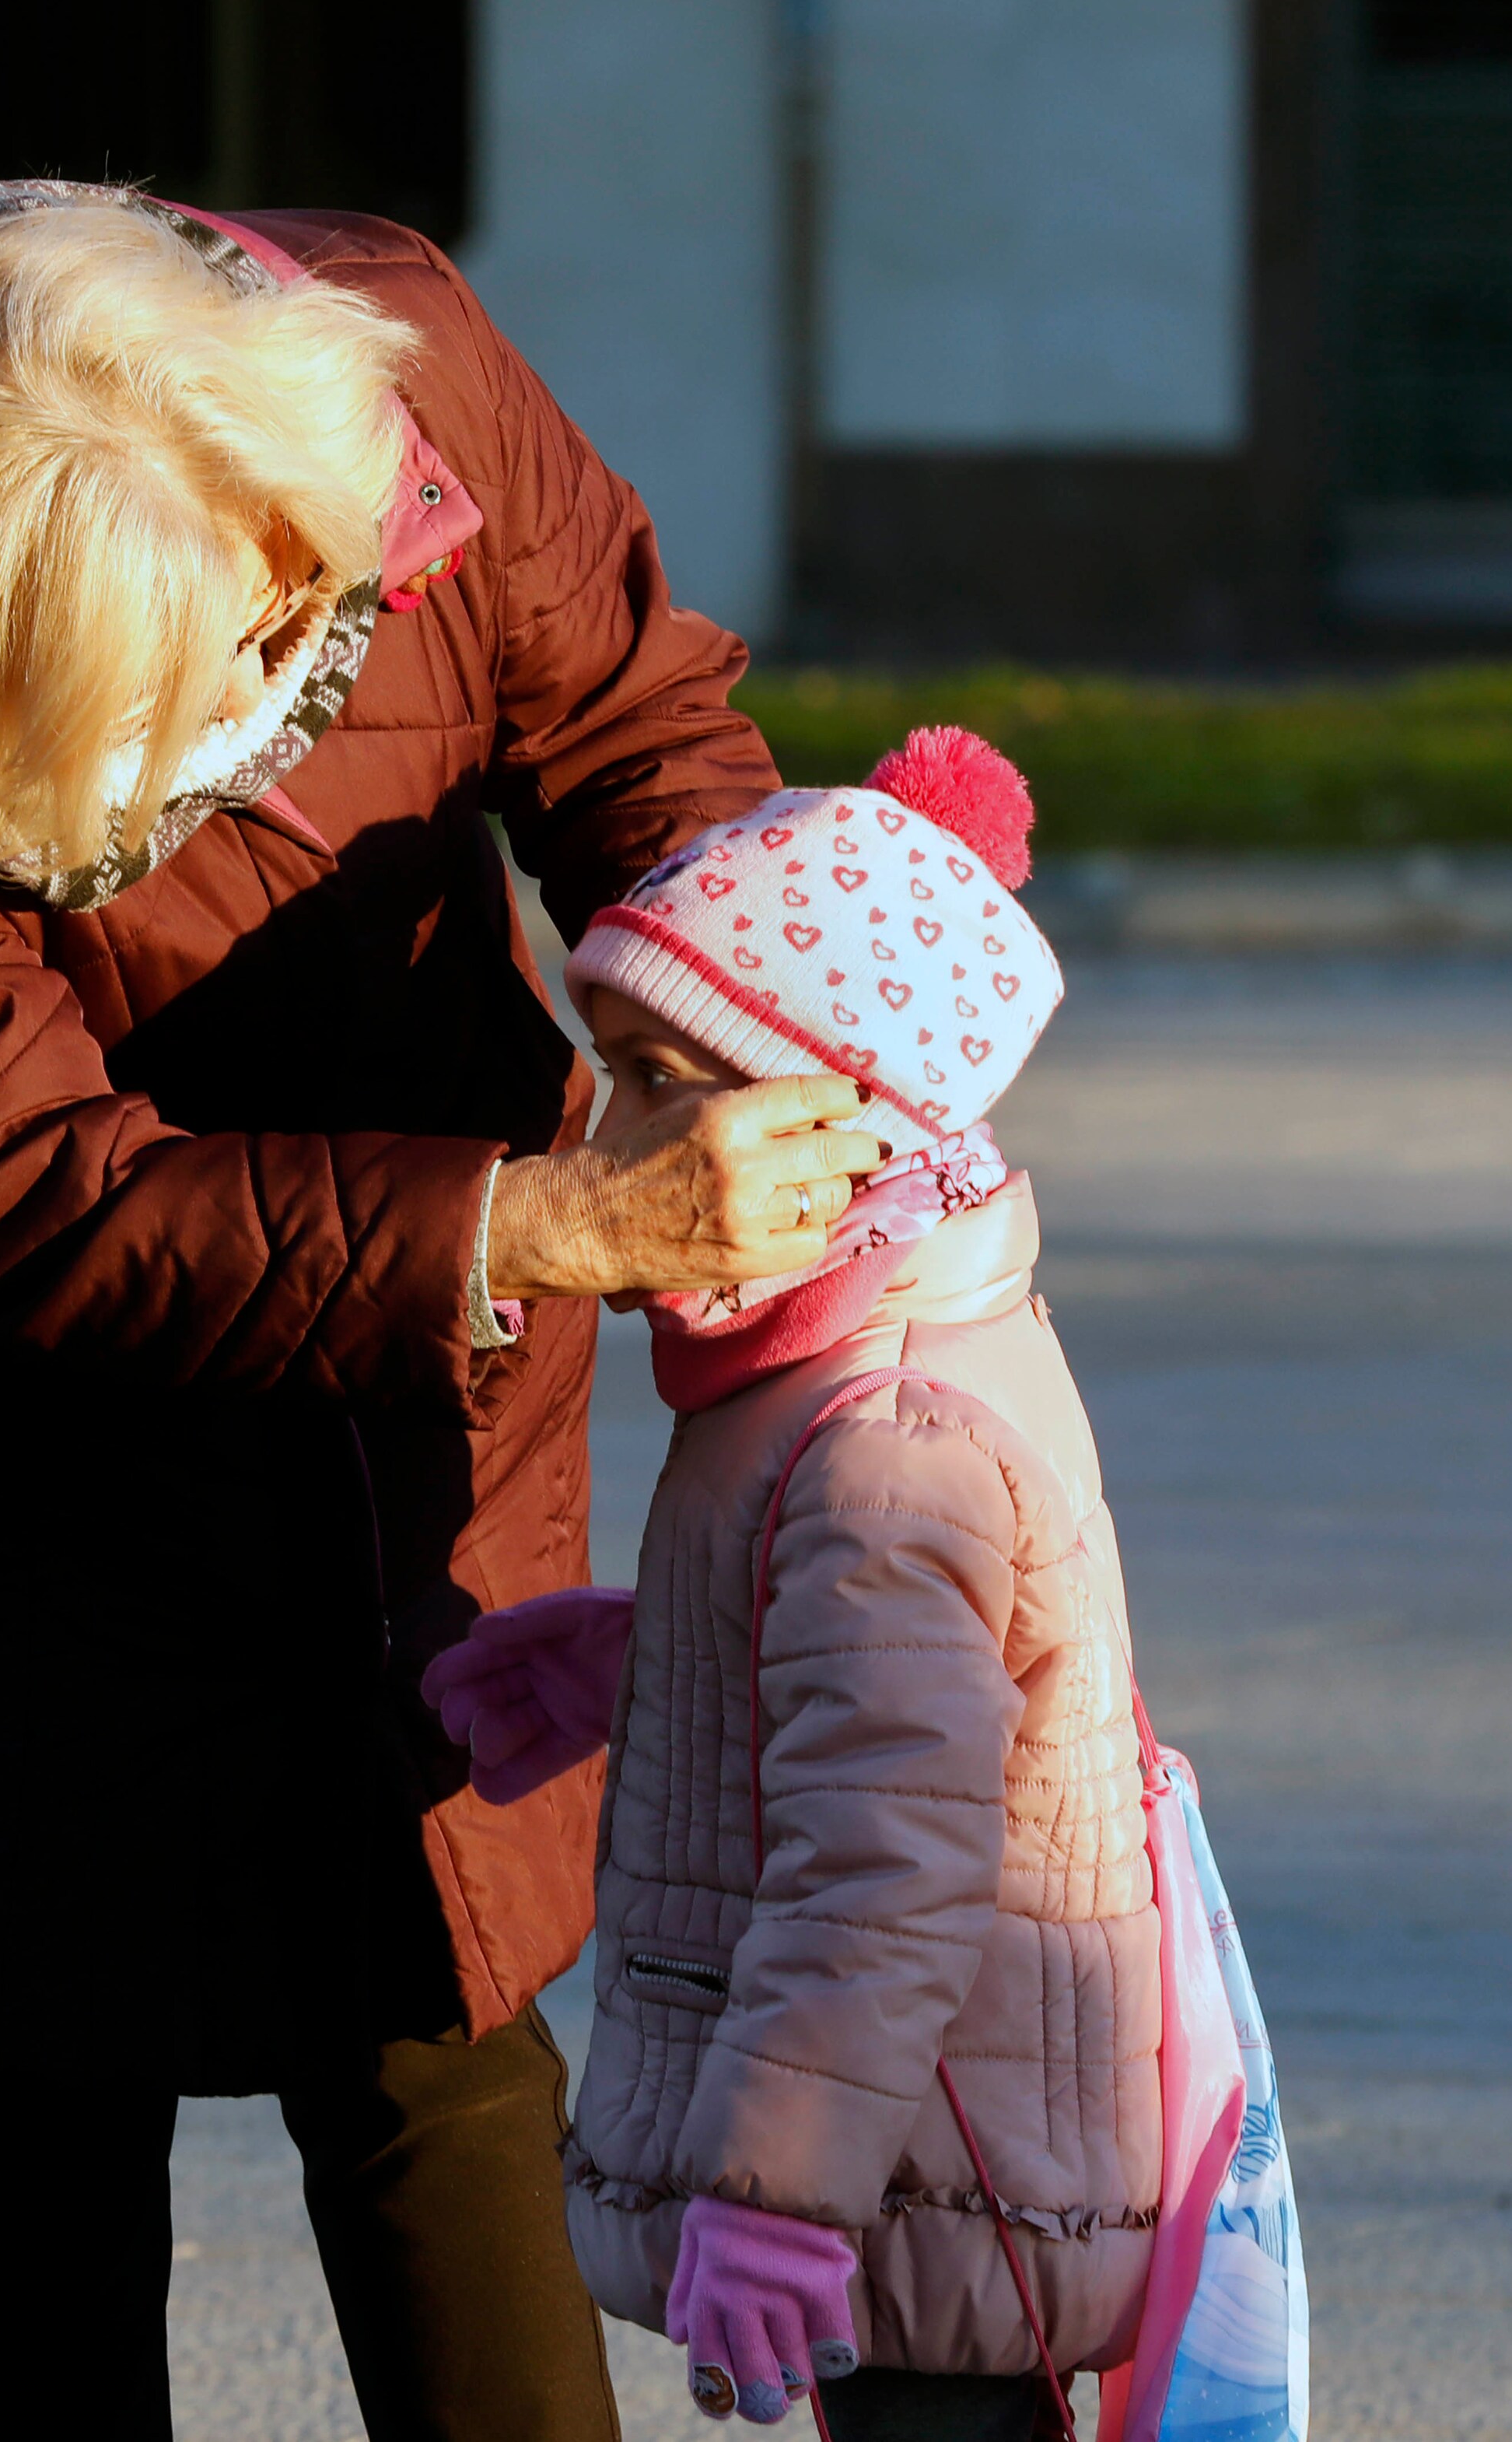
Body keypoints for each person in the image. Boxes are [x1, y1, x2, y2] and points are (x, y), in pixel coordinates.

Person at [0, 181, 891, 2440]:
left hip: (431, 1232)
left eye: (268, 657)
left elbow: (625, 720)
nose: (246, 741)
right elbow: (22, 1191)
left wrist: (723, 1008)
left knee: (430, 1970)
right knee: (32, 2021)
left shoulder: (390, 364)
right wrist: (546, 1230)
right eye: (157, 731)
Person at [425, 730, 1151, 2442]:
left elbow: (880, 1869)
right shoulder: (850, 1363)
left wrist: (775, 2195)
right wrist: (669, 1658)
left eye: (669, 1075)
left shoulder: (882, 1438)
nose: (623, 1135)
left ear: (852, 1120)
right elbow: (907, 1701)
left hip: (917, 2176)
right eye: (614, 1069)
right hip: (915, 2158)